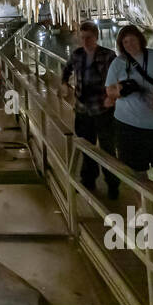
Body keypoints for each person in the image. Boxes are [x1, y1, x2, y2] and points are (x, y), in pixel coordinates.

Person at [61, 20, 118, 199]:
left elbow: (118, 77)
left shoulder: (108, 55)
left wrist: (112, 97)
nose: (85, 41)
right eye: (82, 37)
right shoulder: (77, 54)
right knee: (87, 147)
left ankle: (113, 184)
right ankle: (88, 180)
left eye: (89, 38)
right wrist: (64, 83)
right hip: (82, 109)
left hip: (102, 108)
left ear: (96, 37)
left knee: (107, 149)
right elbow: (67, 69)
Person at [105, 25, 153, 182]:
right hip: (128, 125)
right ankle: (139, 207)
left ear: (140, 40)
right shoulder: (119, 62)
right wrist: (120, 91)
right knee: (135, 173)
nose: (129, 45)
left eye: (132, 40)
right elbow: (109, 90)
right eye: (125, 42)